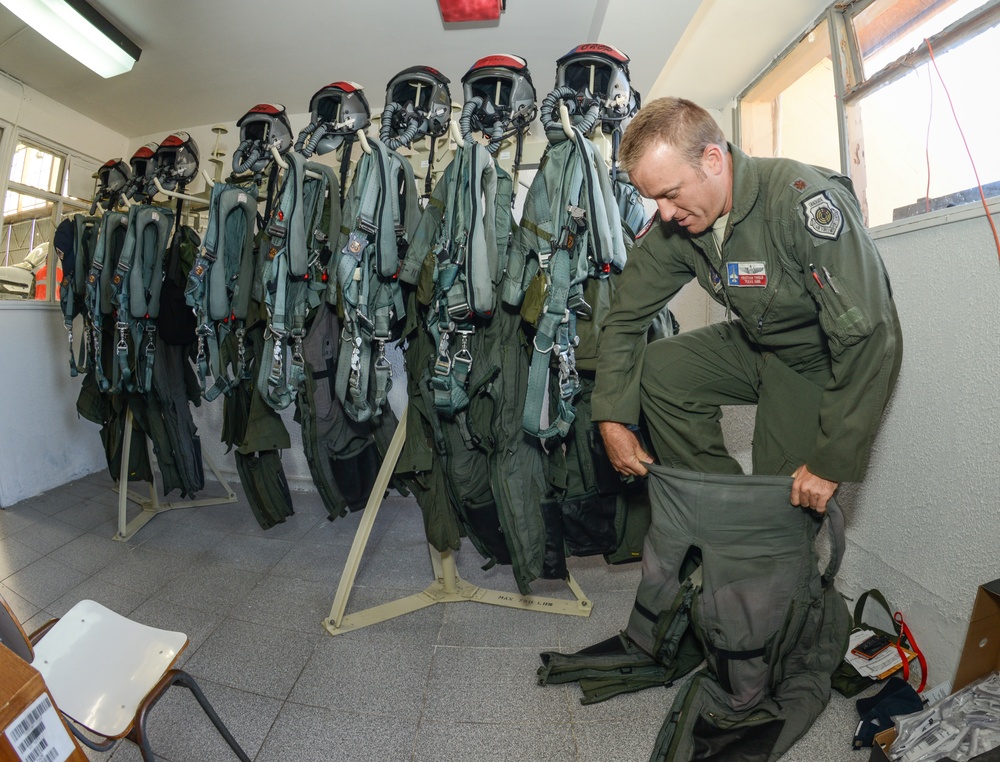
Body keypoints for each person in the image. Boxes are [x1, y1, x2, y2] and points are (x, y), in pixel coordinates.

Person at [593, 97, 902, 512]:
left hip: (816, 361)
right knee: (659, 367)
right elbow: (625, 317)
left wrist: (830, 462)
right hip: (759, 342)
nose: (664, 214)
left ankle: (765, 543)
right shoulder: (681, 222)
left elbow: (871, 335)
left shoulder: (799, 204)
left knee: (780, 506)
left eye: (670, 194)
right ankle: (725, 511)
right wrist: (612, 418)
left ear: (714, 160)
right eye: (655, 200)